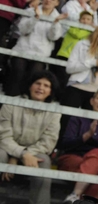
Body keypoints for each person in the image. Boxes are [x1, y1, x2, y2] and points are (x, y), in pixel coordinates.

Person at [0, 70, 61, 204]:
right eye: (37, 83)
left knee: (44, 161)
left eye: (46, 86)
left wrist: (20, 155)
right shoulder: (11, 103)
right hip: (6, 149)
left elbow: (48, 142)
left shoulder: (55, 111)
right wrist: (20, 153)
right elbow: (3, 136)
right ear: (30, 86)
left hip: (33, 153)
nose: (41, 88)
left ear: (50, 91)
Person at [58, 88, 98, 203]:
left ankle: (75, 195)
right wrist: (88, 135)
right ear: (92, 101)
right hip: (73, 158)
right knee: (94, 170)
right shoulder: (78, 117)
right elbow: (65, 145)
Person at [5, 0, 67, 96]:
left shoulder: (58, 17)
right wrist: (35, 18)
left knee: (35, 76)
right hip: (23, 49)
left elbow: (54, 37)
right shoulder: (30, 11)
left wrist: (55, 22)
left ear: (57, 3)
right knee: (18, 72)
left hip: (41, 54)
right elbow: (23, 30)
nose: (48, 0)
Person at [63, 19, 98, 111]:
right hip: (76, 87)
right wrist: (94, 63)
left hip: (96, 92)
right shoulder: (81, 44)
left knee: (89, 124)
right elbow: (69, 68)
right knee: (67, 120)